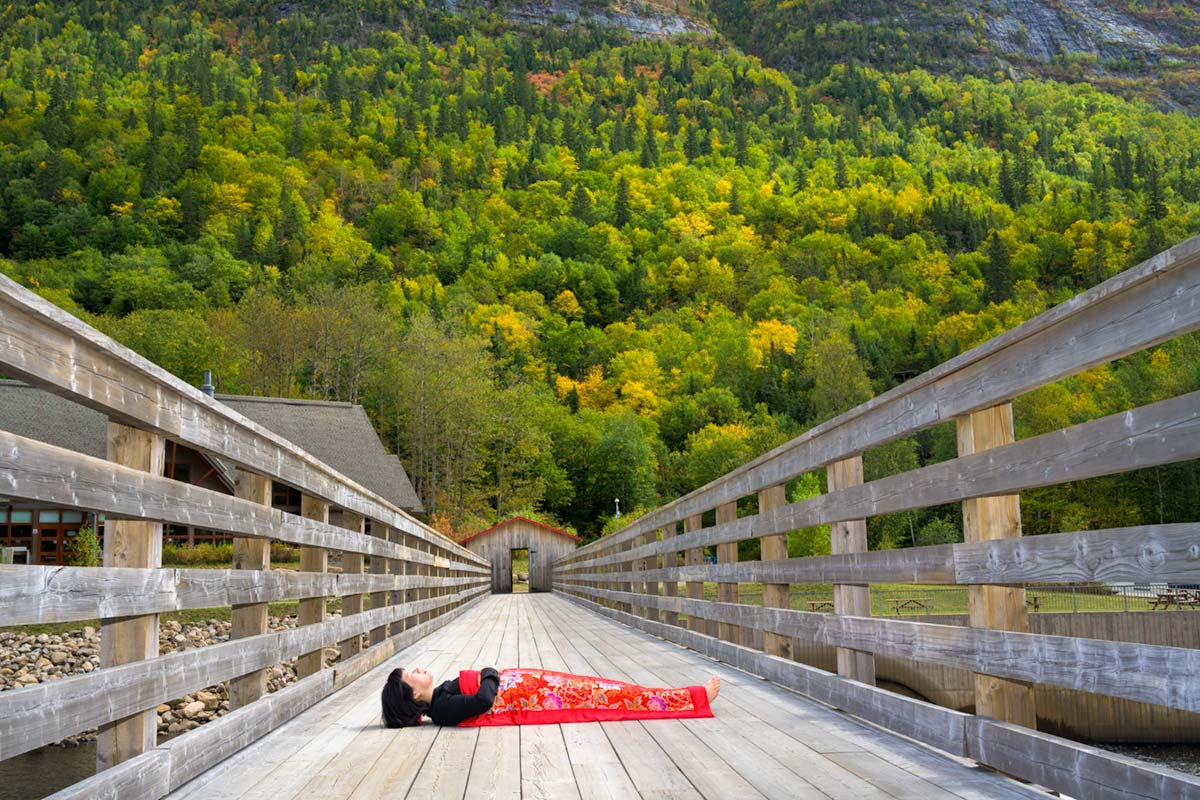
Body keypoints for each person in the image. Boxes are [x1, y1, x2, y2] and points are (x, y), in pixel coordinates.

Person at [381, 665, 720, 728]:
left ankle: (687, 696)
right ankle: (692, 698)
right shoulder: (441, 709)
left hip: (535, 687)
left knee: (607, 690)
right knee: (608, 696)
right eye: (414, 673)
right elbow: (484, 701)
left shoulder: (439, 695)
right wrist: (489, 672)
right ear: (413, 691)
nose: (421, 669)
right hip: (537, 696)